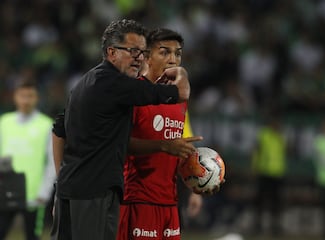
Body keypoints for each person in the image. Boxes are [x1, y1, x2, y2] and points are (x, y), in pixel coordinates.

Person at [51, 19, 192, 240]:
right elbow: (181, 92)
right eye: (133, 51)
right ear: (111, 52)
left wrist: (60, 183)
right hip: (96, 192)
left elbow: (59, 130)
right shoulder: (118, 85)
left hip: (74, 188)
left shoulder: (85, 82)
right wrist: (181, 73)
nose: (139, 57)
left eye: (142, 52)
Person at [116, 28, 203, 240]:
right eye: (164, 52)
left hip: (170, 204)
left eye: (178, 53)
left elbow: (176, 150)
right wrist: (164, 145)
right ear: (146, 57)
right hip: (137, 201)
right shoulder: (132, 93)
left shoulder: (180, 99)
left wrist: (198, 177)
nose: (173, 59)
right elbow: (119, 144)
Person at [0, 81, 56, 240]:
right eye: (22, 96)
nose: (26, 100)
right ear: (15, 97)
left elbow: (52, 161)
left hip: (33, 194)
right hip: (5, 191)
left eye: (30, 96)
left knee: (33, 236)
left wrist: (45, 191)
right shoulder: (4, 122)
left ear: (37, 98)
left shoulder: (45, 125)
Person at [251, 113, 287, 236]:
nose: (277, 125)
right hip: (264, 171)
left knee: (276, 202)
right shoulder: (264, 134)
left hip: (277, 172)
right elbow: (257, 150)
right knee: (260, 201)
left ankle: (275, 226)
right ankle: (258, 225)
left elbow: (287, 151)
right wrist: (255, 166)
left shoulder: (282, 136)